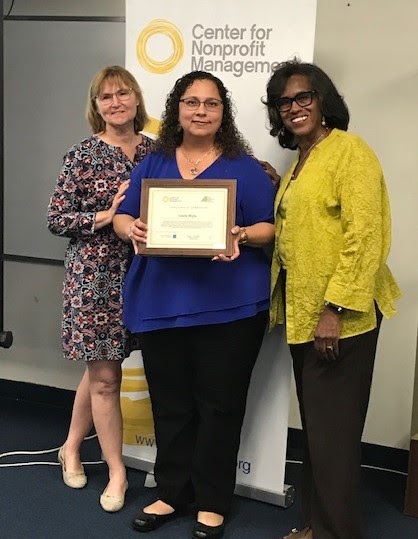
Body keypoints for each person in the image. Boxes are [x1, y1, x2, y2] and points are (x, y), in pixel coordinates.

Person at [113, 70, 276, 538]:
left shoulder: (245, 167)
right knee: (171, 404)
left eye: (211, 103)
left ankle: (211, 500)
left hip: (230, 307)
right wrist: (131, 229)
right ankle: (171, 492)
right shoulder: (153, 163)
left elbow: (268, 227)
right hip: (162, 303)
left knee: (220, 406)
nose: (200, 111)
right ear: (176, 110)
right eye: (191, 102)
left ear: (223, 112)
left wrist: (242, 235)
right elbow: (124, 215)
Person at [263, 59, 401, 539]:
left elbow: (366, 236)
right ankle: (316, 527)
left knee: (333, 440)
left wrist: (334, 309)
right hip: (304, 318)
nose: (295, 107)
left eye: (304, 97)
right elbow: (302, 229)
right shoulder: (302, 161)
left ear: (323, 101)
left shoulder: (349, 151)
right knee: (320, 436)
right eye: (285, 102)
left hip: (339, 319)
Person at [47, 65, 153, 512]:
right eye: (105, 97)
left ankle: (70, 446)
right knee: (106, 378)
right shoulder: (82, 154)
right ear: (96, 107)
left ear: (136, 99)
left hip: (148, 276)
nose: (115, 102)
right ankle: (117, 471)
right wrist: (105, 216)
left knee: (100, 372)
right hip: (95, 279)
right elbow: (56, 219)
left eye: (123, 93)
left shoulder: (156, 150)